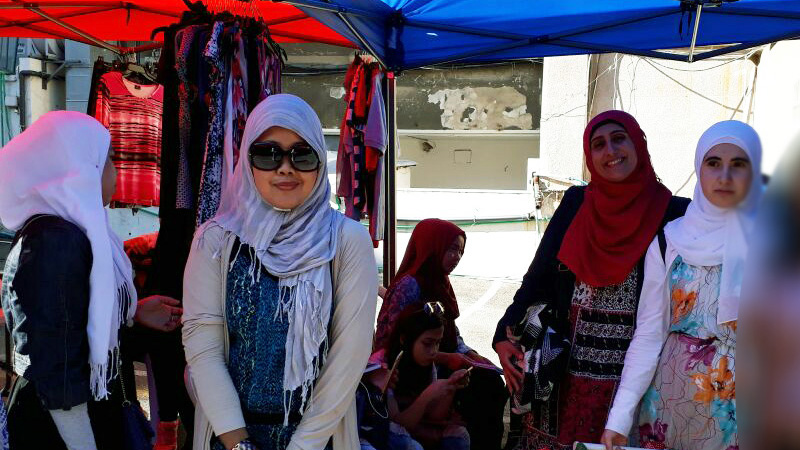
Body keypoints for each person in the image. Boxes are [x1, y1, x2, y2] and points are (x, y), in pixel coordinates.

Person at [182, 94, 378, 450]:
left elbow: (348, 358)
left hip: (320, 440)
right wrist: (238, 444)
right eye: (267, 154)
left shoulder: (346, 241)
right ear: (247, 162)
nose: (285, 168)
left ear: (319, 163)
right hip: (229, 438)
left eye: (302, 155)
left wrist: (302, 446)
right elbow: (203, 349)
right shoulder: (216, 240)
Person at [493, 110, 690, 450]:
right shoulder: (576, 203)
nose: (610, 151)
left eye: (619, 139)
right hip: (561, 376)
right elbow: (538, 277)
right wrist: (503, 332)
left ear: (638, 144)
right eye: (598, 144)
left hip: (633, 380)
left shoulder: (674, 213)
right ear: (589, 156)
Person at [0, 111, 182, 450]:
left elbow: (73, 323)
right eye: (107, 158)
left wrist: (132, 312)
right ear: (80, 168)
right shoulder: (54, 242)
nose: (115, 170)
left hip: (78, 418)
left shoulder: (71, 231)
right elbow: (57, 366)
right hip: (63, 429)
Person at [602, 121, 762, 450]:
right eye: (713, 163)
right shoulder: (670, 241)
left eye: (738, 164)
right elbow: (649, 335)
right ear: (698, 168)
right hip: (666, 411)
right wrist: (619, 417)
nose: (725, 176)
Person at [374, 218, 507, 450]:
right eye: (451, 249)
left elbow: (450, 331)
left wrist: (470, 353)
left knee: (491, 381)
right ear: (432, 247)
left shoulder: (440, 281)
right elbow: (395, 341)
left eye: (461, 251)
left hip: (436, 361)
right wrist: (446, 358)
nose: (457, 257)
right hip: (410, 370)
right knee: (483, 391)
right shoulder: (409, 285)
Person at [384, 303, 471, 450]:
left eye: (438, 343)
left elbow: (434, 416)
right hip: (390, 434)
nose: (434, 351)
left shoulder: (427, 365)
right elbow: (398, 425)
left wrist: (451, 386)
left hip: (417, 429)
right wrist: (428, 394)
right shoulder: (388, 369)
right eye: (427, 343)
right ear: (405, 339)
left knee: (459, 437)